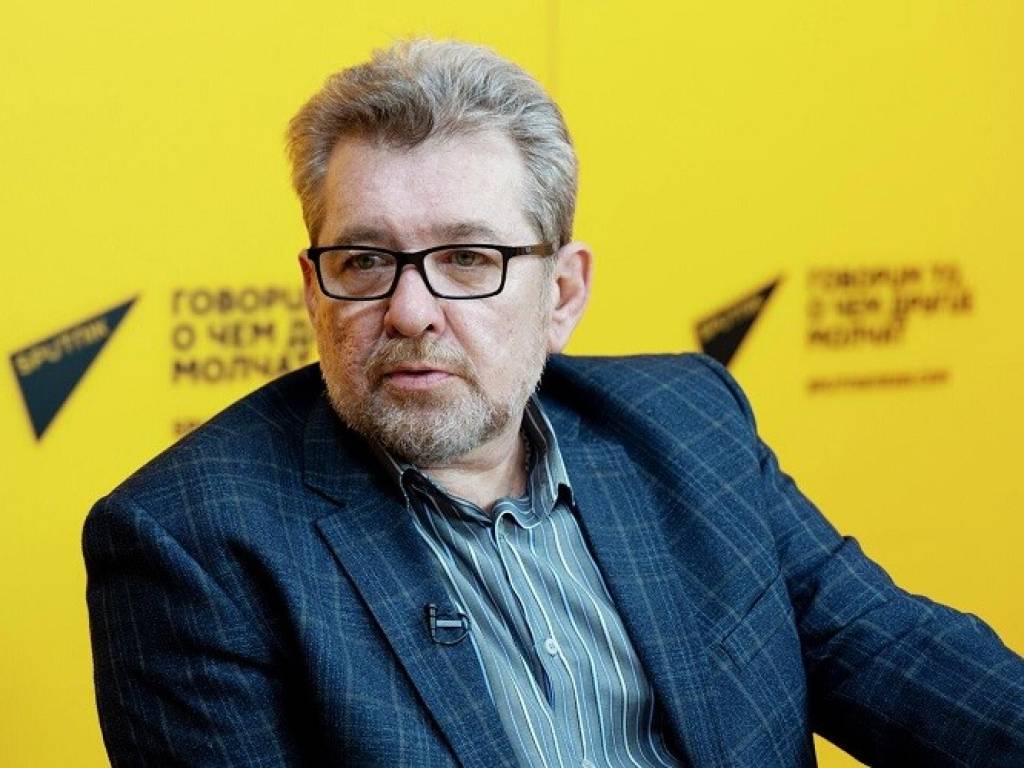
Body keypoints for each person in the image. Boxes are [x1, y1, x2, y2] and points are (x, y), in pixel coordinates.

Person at [83, 39, 1024, 768]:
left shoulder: (688, 426)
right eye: (364, 261)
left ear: (563, 294)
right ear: (313, 291)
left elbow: (904, 661)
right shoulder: (191, 541)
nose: (410, 311)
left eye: (468, 259)